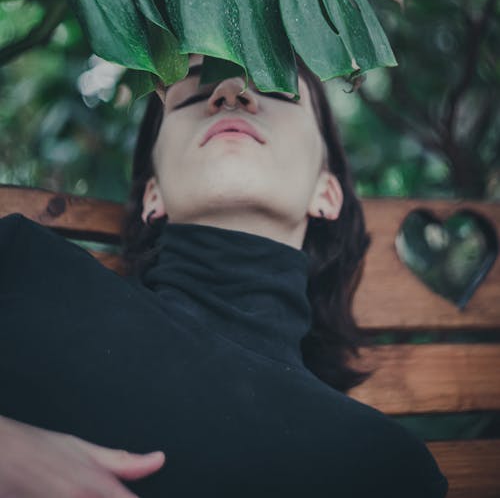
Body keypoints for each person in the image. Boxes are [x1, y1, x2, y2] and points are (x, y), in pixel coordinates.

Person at [0, 53, 449, 497]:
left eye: (277, 88)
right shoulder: (20, 266)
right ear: (150, 194)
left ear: (326, 192)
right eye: (193, 90)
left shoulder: (382, 465)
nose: (229, 92)